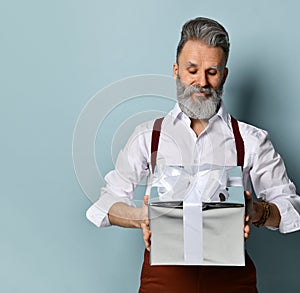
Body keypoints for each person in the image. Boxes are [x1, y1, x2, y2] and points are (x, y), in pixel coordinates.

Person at [86, 17, 300, 292]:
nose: (202, 81)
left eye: (212, 71)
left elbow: (291, 208)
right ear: (176, 71)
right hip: (162, 279)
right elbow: (107, 203)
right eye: (192, 69)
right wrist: (143, 217)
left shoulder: (251, 140)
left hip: (231, 281)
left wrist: (256, 211)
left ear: (224, 74)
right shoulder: (148, 136)